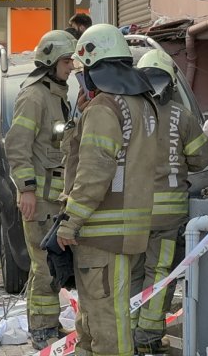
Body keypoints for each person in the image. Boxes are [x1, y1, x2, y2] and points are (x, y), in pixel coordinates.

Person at [57, 23, 158, 355]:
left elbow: (95, 171)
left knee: (105, 322)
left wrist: (70, 221)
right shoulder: (142, 104)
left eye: (82, 69)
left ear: (93, 66)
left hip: (101, 232)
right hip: (133, 229)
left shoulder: (105, 108)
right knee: (99, 316)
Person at [131, 50, 208, 354]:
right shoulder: (182, 115)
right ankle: (149, 336)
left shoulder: (125, 113)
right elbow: (201, 157)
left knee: (132, 270)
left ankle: (128, 330)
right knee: (160, 271)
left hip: (131, 211)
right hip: (168, 215)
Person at [4, 30, 76, 349]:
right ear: (49, 60)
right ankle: (42, 331)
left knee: (48, 266)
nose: (71, 65)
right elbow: (17, 145)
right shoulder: (34, 96)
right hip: (41, 198)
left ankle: (46, 325)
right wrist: (26, 190)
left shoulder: (56, 94)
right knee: (44, 266)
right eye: (66, 60)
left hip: (55, 198)